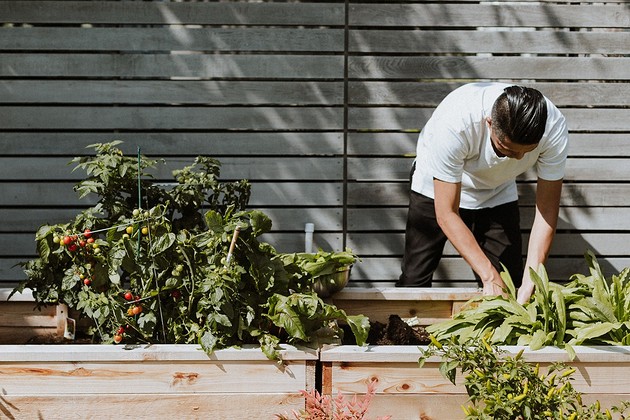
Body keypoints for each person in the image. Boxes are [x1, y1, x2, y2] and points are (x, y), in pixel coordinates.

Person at [397, 83, 569, 304]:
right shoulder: (455, 124)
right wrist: (488, 275)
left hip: (497, 189)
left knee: (508, 283)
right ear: (489, 123)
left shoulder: (553, 127)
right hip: (435, 187)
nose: (517, 159)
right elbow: (446, 213)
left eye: (526, 152)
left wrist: (530, 281)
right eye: (506, 149)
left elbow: (546, 211)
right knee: (414, 280)